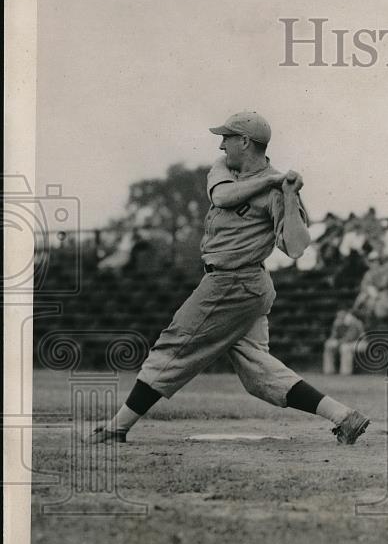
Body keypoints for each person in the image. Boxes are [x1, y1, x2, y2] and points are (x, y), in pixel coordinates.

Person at [88, 111, 370, 445]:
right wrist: (272, 180)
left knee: (172, 346)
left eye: (228, 138)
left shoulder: (279, 191)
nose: (222, 145)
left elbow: (296, 247)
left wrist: (291, 197)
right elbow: (222, 197)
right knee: (258, 373)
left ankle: (117, 427)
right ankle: (344, 417)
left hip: (235, 282)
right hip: (236, 283)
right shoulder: (225, 171)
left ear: (245, 142)